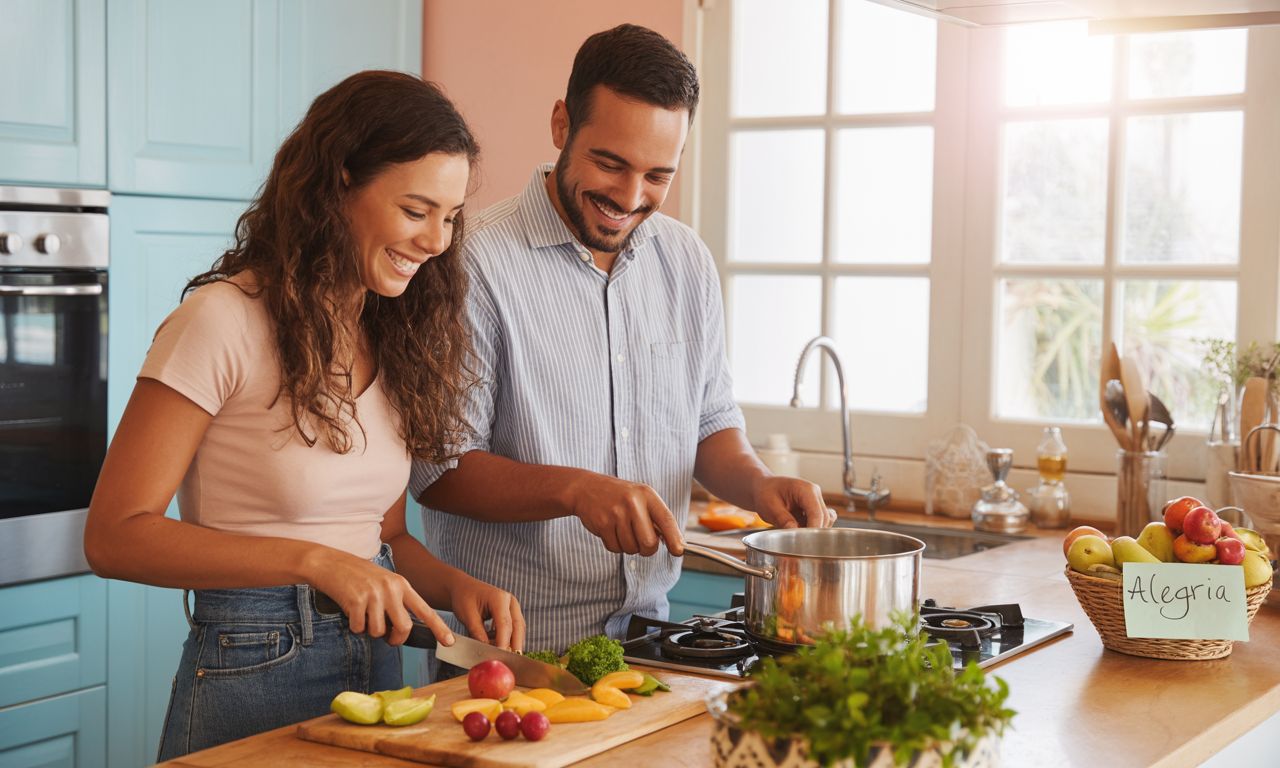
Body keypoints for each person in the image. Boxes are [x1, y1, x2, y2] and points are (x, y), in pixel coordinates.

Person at [83, 71, 525, 760]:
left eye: (451, 215)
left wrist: (452, 585)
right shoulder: (221, 321)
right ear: (339, 182)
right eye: (416, 210)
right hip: (250, 666)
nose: (438, 240)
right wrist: (315, 563)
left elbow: (382, 538)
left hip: (378, 668)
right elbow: (113, 536)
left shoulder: (394, 334)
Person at [410, 25, 832, 656]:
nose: (630, 198)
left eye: (657, 175)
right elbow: (439, 472)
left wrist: (758, 484)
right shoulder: (470, 263)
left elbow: (709, 423)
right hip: (513, 652)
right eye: (610, 163)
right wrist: (576, 491)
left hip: (654, 641)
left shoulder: (686, 260)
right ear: (561, 124)